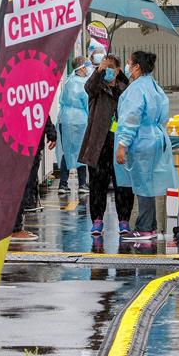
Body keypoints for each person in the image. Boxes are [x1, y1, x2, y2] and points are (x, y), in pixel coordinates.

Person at [115, 51, 179, 240]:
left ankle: (144, 227)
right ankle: (150, 226)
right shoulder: (154, 86)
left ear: (136, 66)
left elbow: (131, 118)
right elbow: (163, 114)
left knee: (143, 184)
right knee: (149, 183)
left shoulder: (136, 89)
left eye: (129, 63)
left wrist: (122, 145)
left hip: (141, 142)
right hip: (155, 137)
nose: (128, 66)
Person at [79, 53, 134, 236]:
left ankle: (124, 220)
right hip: (98, 143)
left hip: (119, 142)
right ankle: (97, 220)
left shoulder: (126, 89)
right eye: (105, 66)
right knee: (97, 184)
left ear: (118, 70)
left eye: (111, 67)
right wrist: (98, 71)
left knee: (123, 184)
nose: (108, 70)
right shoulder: (97, 87)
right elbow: (88, 87)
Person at [11, 117, 56, 241]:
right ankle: (15, 228)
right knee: (23, 186)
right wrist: (51, 133)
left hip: (16, 140)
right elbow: (41, 110)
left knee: (18, 185)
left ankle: (14, 226)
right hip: (29, 142)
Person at [57, 57, 91, 194]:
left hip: (64, 119)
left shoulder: (69, 81)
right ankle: (82, 184)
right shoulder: (84, 84)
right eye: (86, 65)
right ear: (82, 67)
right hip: (80, 120)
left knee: (68, 151)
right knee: (81, 151)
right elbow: (87, 104)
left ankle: (63, 184)